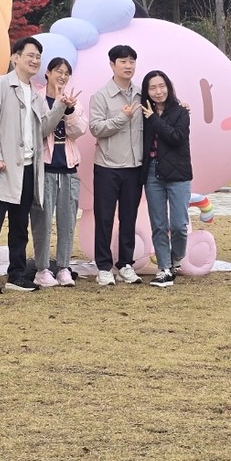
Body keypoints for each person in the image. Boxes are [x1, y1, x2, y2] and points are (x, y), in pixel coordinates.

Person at [0, 36, 66, 295]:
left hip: (27, 168)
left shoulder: (35, 94)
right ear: (15, 57)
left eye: (38, 56)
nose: (35, 60)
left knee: (20, 224)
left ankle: (16, 275)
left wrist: (59, 106)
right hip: (1, 168)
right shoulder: (0, 84)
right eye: (30, 55)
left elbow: (44, 129)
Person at [88, 44, 144, 286]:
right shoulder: (100, 96)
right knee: (105, 218)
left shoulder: (142, 95)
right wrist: (123, 117)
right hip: (108, 167)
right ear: (112, 65)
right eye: (123, 61)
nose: (128, 65)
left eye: (131, 61)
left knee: (129, 218)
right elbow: (96, 128)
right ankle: (103, 266)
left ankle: (126, 264)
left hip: (135, 167)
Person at [31, 56, 84, 288]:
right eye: (58, 71)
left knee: (67, 220)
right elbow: (42, 130)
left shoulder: (74, 99)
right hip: (45, 167)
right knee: (42, 220)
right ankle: (42, 269)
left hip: (69, 167)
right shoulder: (38, 98)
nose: (62, 76)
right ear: (48, 73)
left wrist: (70, 109)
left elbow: (79, 130)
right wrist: (59, 106)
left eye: (66, 73)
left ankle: (63, 267)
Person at [141, 70, 192, 288]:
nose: (158, 91)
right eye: (152, 87)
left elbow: (176, 138)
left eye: (161, 86)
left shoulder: (181, 112)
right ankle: (163, 269)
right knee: (158, 224)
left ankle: (175, 258)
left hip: (178, 173)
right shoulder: (141, 113)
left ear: (168, 87)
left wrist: (153, 118)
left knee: (179, 224)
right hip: (152, 172)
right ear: (146, 91)